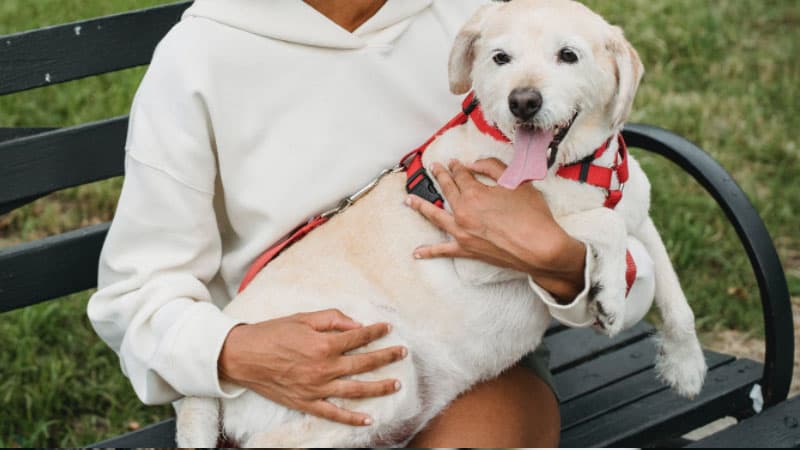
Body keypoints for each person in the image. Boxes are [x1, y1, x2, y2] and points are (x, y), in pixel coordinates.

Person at [87, 0, 655, 446]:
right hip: (284, 367)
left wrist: (561, 260)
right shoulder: (199, 54)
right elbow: (135, 293)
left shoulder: (489, 27)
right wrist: (236, 350)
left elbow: (627, 268)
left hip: (476, 362)